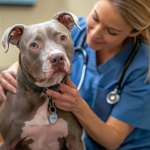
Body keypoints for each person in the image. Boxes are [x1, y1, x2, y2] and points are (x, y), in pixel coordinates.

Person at [1, 0, 150, 149]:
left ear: (133, 31)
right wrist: (15, 68)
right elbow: (38, 50)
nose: (95, 33)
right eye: (96, 18)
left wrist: (77, 106)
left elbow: (113, 140)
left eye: (112, 31)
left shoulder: (143, 65)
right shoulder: (76, 31)